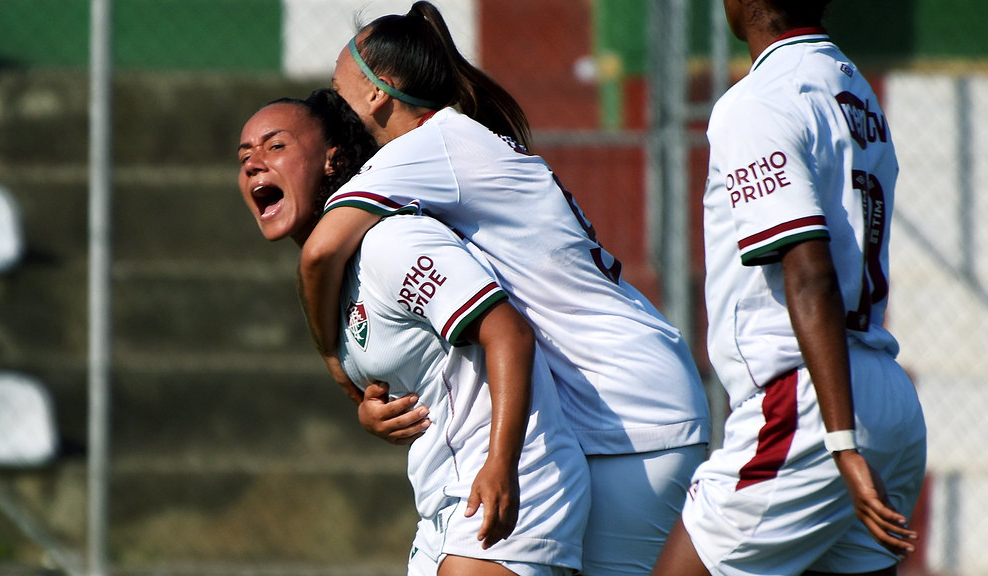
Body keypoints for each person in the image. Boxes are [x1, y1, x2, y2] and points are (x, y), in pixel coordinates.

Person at [298, 2, 712, 574]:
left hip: (626, 408)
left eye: (340, 85)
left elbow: (320, 252)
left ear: (378, 93)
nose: (331, 99)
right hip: (632, 397)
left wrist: (333, 363)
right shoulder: (450, 145)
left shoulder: (426, 148)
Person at [238, 89, 591, 576]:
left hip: (509, 482)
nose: (255, 163)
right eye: (245, 156)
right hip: (442, 503)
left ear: (332, 161)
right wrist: (371, 411)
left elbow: (510, 334)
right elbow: (405, 372)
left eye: (275, 146)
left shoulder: (390, 242)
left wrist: (501, 466)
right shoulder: (333, 280)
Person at [651, 1, 927, 575]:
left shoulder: (758, 101)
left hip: (810, 403)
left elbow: (809, 273)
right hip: (883, 390)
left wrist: (840, 440)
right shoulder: (853, 90)